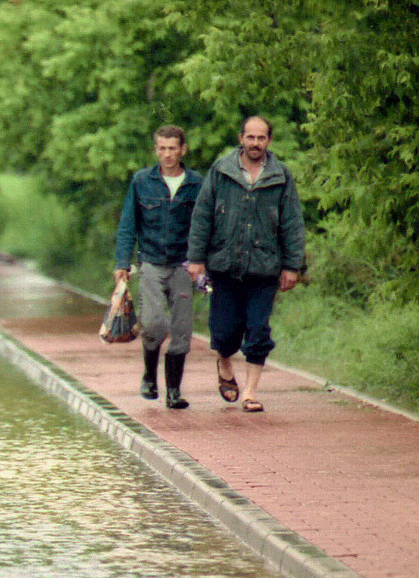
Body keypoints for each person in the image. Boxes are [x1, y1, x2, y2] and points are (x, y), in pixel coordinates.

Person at [187, 116, 306, 413]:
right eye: (250, 137)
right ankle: (224, 363)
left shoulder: (281, 175)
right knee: (224, 332)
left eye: (261, 138)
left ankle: (251, 392)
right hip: (224, 265)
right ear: (241, 138)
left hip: (264, 268)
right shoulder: (221, 170)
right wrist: (197, 260)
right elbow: (202, 216)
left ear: (269, 141)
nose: (255, 143)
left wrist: (292, 266)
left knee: (257, 330)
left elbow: (292, 223)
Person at [115, 125, 203, 409]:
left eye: (172, 148)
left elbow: (203, 225)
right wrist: (122, 263)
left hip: (183, 264)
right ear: (156, 150)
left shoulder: (196, 183)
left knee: (181, 330)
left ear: (182, 150)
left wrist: (201, 262)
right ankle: (150, 376)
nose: (167, 154)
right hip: (151, 262)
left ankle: (174, 391)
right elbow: (128, 224)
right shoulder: (142, 181)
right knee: (153, 324)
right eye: (162, 148)